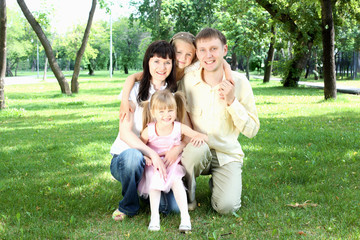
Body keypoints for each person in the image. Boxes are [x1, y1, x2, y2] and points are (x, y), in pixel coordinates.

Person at [179, 28, 260, 214]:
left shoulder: (240, 82)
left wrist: (232, 101)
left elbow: (252, 130)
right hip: (198, 148)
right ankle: (187, 195)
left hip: (227, 154)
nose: (208, 55)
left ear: (225, 50)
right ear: (197, 53)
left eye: (214, 49)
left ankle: (219, 182)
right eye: (202, 50)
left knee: (227, 207)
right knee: (196, 150)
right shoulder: (189, 78)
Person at [110, 40, 179, 221]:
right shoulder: (133, 91)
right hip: (126, 158)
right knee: (134, 157)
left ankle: (145, 191)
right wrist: (150, 154)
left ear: (173, 65)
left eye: (167, 62)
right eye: (156, 61)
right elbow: (125, 133)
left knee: (171, 208)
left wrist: (158, 157)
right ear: (147, 62)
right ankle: (128, 206)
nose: (161, 67)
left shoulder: (173, 93)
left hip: (157, 162)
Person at [138, 89, 208, 232]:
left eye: (170, 110)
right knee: (154, 182)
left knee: (177, 181)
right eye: (161, 111)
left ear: (176, 110)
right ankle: (155, 217)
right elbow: (139, 147)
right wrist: (146, 157)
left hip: (172, 164)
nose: (166, 115)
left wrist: (200, 138)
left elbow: (201, 136)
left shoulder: (178, 127)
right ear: (153, 112)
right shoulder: (149, 130)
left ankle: (185, 217)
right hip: (155, 166)